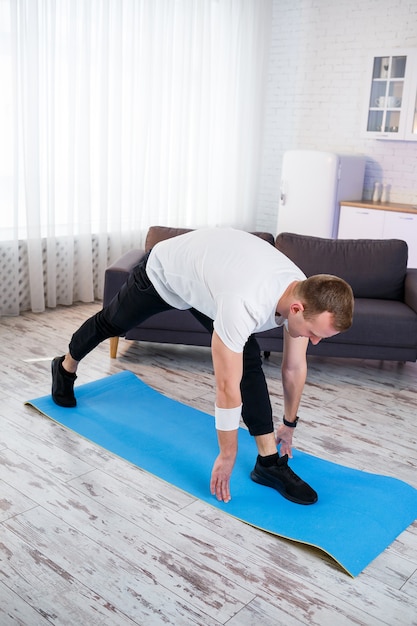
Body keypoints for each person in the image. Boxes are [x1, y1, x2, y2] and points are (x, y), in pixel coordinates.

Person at [51, 228, 354, 506]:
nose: (314, 342)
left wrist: (288, 426)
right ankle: (65, 367)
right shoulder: (245, 302)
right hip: (165, 274)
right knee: (112, 323)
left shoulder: (304, 293)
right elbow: (226, 387)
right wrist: (227, 453)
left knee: (247, 357)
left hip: (211, 282)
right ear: (297, 309)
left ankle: (268, 463)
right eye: (314, 334)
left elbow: (293, 367)